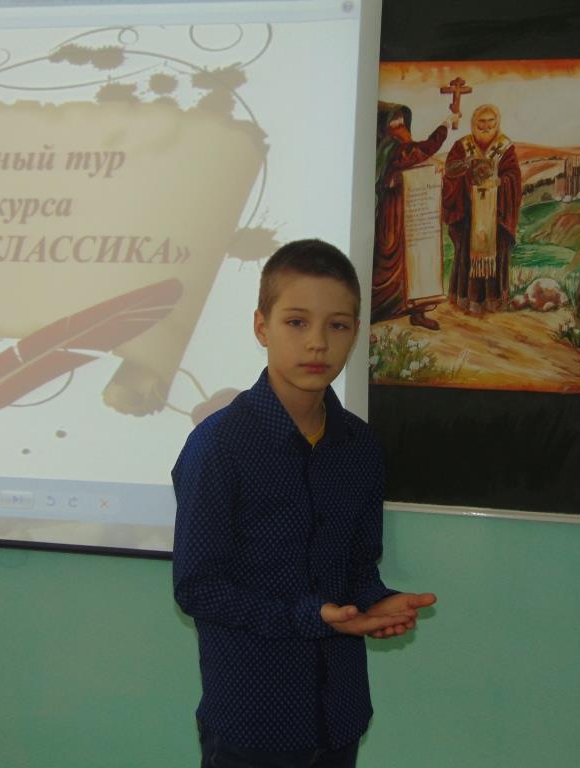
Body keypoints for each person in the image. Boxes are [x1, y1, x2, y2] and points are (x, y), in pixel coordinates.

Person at [172, 238, 437, 768]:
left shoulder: (361, 447)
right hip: (251, 721)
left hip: (338, 713)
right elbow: (198, 589)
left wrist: (376, 603)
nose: (317, 343)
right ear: (261, 327)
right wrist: (309, 616)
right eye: (297, 322)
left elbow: (358, 567)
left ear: (355, 333)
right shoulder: (218, 446)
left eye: (337, 326)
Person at [372, 103, 453, 330]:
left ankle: (418, 311)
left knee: (418, 257)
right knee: (390, 262)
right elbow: (422, 150)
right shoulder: (390, 149)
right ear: (384, 127)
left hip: (411, 211)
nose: (401, 127)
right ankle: (374, 312)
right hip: (393, 216)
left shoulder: (397, 148)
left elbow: (416, 163)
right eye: (394, 123)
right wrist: (445, 125)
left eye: (402, 122)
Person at [442, 104, 522, 314]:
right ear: (473, 124)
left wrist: (500, 182)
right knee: (466, 257)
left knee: (496, 255)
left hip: (495, 214)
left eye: (490, 122)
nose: (486, 127)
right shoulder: (462, 146)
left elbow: (514, 177)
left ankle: (494, 301)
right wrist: (464, 167)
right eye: (481, 122)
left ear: (497, 123)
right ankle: (465, 300)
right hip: (468, 214)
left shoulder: (505, 148)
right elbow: (449, 171)